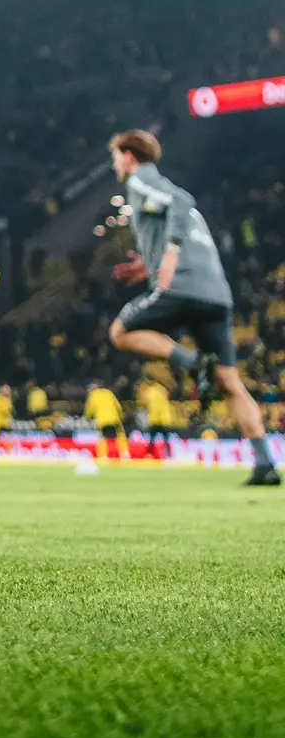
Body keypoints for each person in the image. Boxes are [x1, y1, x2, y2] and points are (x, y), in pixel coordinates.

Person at [106, 127, 279, 489]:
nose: (115, 165)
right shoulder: (154, 190)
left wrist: (169, 254)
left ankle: (194, 364)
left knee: (120, 332)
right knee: (230, 381)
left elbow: (181, 200)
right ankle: (265, 463)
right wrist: (148, 264)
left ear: (130, 157)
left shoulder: (140, 181)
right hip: (215, 293)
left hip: (180, 286)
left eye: (116, 158)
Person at [84, 379, 127, 461]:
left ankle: (103, 456)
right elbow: (118, 406)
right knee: (120, 436)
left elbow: (90, 408)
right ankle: (124, 454)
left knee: (102, 438)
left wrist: (87, 418)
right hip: (114, 418)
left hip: (102, 420)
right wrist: (121, 416)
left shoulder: (93, 395)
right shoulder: (109, 393)